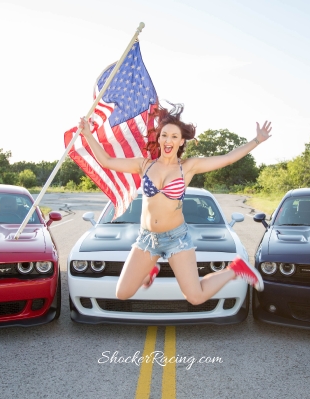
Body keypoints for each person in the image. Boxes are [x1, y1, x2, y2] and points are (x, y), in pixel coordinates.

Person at [77, 104, 272, 305]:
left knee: (195, 297)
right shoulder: (143, 165)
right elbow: (107, 161)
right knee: (122, 293)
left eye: (174, 137)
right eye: (164, 135)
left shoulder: (187, 167)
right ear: (159, 138)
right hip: (147, 239)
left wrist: (257, 140)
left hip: (176, 239)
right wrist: (87, 134)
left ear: (181, 142)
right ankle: (148, 271)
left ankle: (235, 270)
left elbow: (228, 158)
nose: (168, 140)